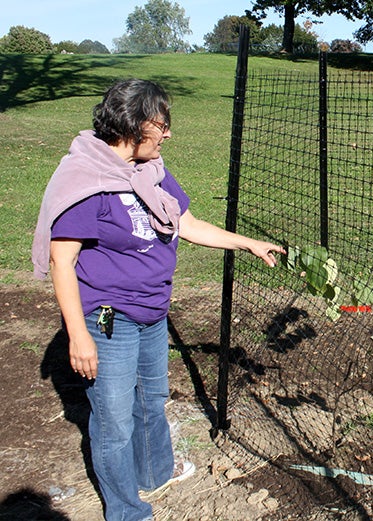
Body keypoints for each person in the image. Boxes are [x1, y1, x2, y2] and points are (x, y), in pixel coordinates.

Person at [31, 78, 285, 521]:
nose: (167, 133)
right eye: (161, 124)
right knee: (113, 422)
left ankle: (154, 471)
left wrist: (248, 243)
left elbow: (186, 222)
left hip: (152, 311)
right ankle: (127, 512)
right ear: (133, 125)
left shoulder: (150, 169)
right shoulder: (86, 181)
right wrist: (78, 336)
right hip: (110, 319)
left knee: (151, 400)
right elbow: (62, 261)